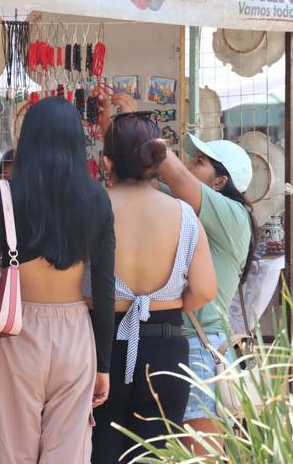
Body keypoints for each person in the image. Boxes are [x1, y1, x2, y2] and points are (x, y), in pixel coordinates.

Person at [0, 97, 116, 463]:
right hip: (76, 333)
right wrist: (104, 366)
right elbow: (105, 287)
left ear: (27, 139)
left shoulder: (5, 194)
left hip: (18, 330)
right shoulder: (97, 197)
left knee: (9, 446)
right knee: (68, 449)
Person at [101, 93, 254, 456]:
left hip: (198, 345)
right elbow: (135, 177)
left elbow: (177, 178)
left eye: (199, 162)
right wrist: (118, 123)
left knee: (194, 454)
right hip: (168, 341)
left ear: (220, 182)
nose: (186, 164)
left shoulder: (231, 216)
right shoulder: (179, 208)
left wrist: (140, 123)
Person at [85, 111, 216, 464]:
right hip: (166, 348)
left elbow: (78, 288)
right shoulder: (184, 215)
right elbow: (205, 289)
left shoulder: (92, 211)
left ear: (106, 161)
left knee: (101, 452)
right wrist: (167, 305)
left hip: (102, 348)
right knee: (156, 456)